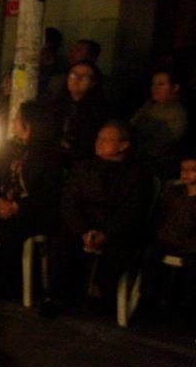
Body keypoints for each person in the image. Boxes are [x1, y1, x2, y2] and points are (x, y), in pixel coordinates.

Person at [41, 121, 151, 317]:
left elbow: (132, 210)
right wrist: (83, 230)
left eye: (107, 140)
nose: (99, 143)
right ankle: (55, 296)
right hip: (83, 223)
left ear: (123, 145)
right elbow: (69, 201)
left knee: (123, 246)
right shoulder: (83, 167)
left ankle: (101, 295)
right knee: (62, 239)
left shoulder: (136, 174)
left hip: (113, 227)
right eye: (99, 138)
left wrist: (106, 233)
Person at [0, 102, 64, 296]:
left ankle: (10, 281)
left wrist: (17, 206)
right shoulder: (10, 148)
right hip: (5, 202)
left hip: (34, 210)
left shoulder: (49, 155)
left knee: (13, 230)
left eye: (18, 118)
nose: (14, 122)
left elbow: (48, 193)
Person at [130, 68, 189, 180]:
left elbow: (160, 146)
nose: (155, 88)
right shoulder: (149, 104)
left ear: (175, 88)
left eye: (161, 84)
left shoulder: (176, 114)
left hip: (151, 167)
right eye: (153, 83)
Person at [55, 60, 109, 168]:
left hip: (83, 161)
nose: (77, 80)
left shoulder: (100, 110)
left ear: (93, 82)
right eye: (73, 75)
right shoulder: (57, 103)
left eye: (84, 76)